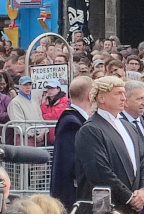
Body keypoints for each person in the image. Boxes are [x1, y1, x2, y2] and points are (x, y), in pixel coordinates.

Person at [74, 76, 144, 214]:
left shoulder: (129, 126)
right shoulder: (90, 130)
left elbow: (143, 161)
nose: (123, 98)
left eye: (124, 93)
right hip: (108, 207)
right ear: (102, 98)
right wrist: (129, 197)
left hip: (131, 206)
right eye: (118, 93)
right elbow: (99, 171)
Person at [51, 75, 92, 209]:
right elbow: (72, 162)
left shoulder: (75, 119)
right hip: (71, 194)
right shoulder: (72, 123)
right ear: (90, 96)